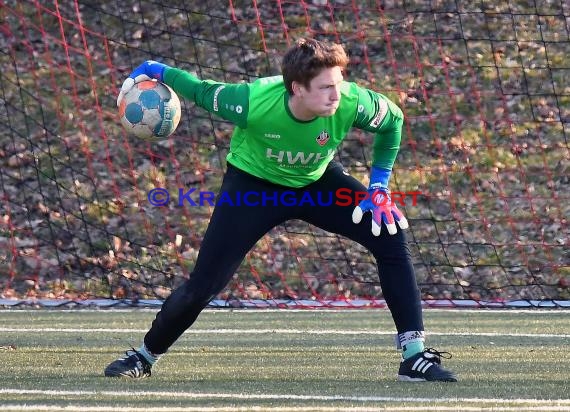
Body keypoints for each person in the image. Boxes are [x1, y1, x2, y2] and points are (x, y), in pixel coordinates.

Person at [105, 38, 457, 382]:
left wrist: (378, 186)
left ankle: (414, 356)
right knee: (204, 285)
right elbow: (197, 89)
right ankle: (143, 356)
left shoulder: (352, 101)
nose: (337, 94)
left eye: (339, 83)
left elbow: (393, 122)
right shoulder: (250, 101)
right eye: (325, 87)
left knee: (390, 234)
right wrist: (153, 69)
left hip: (316, 183)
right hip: (254, 188)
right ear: (296, 89)